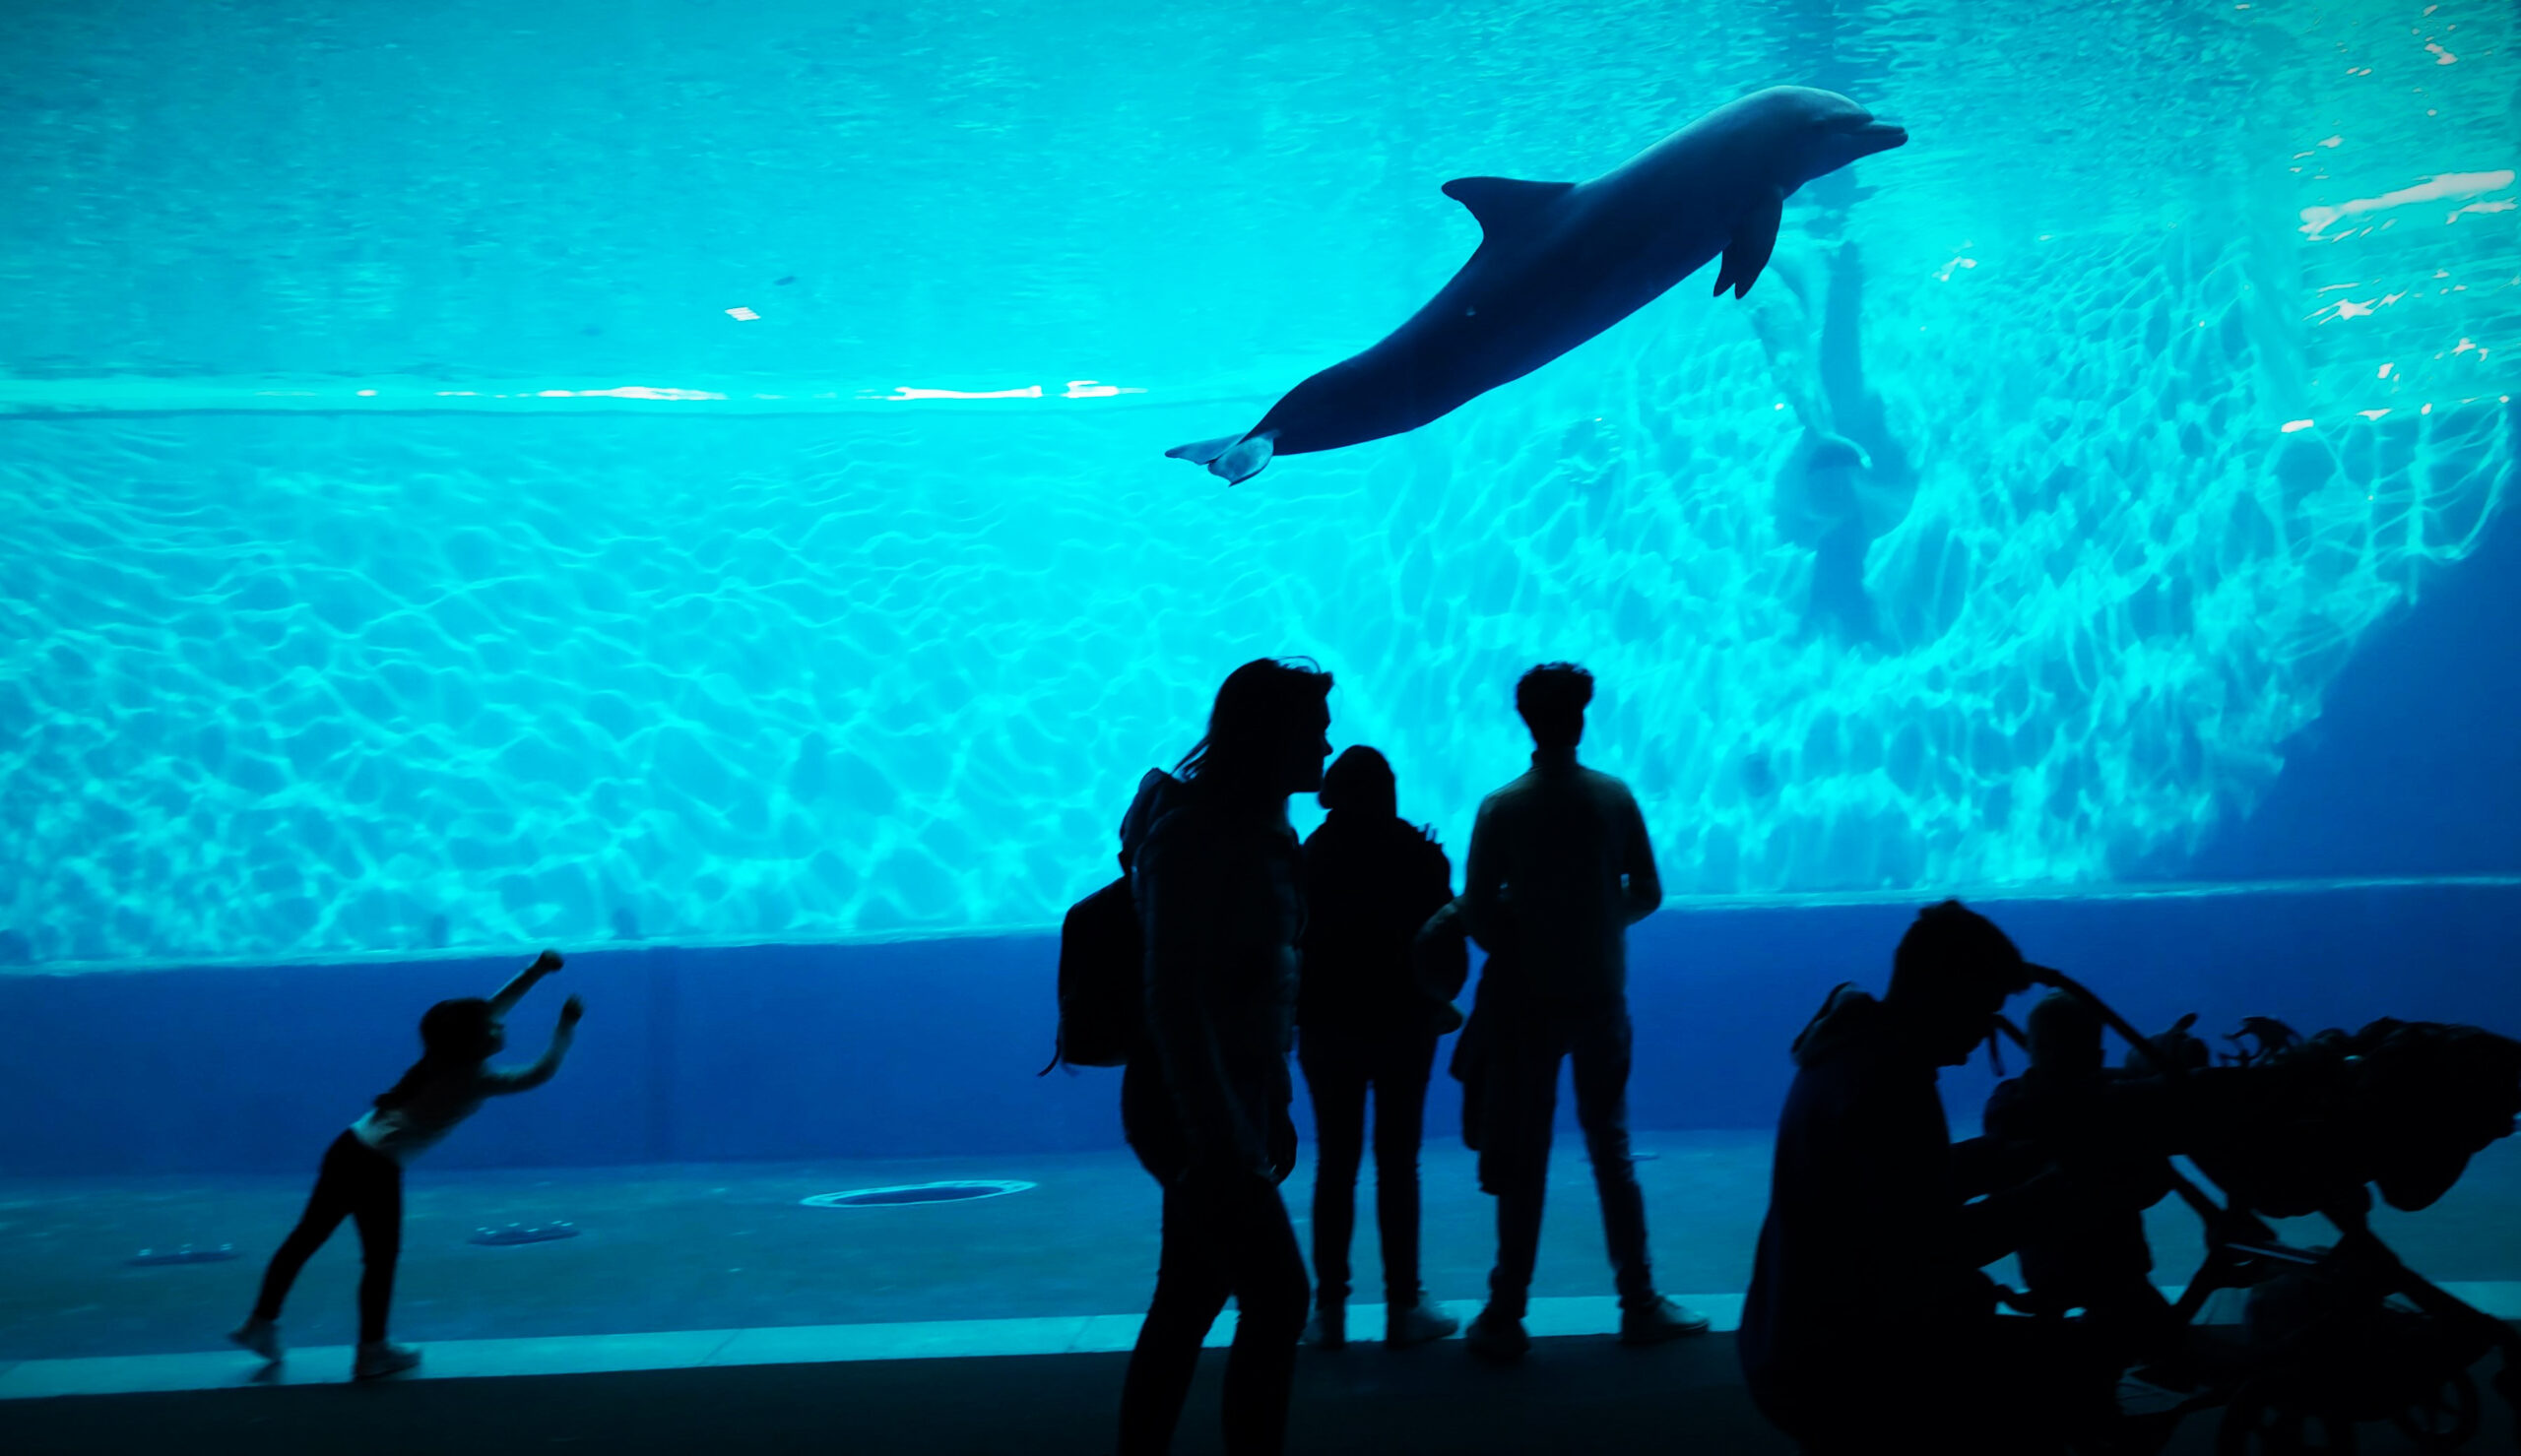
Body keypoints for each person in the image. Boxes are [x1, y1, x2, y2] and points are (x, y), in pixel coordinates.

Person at [1738, 902, 2130, 1454]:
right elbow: (1928, 1246)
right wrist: (2055, 1194)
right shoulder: (1889, 1083)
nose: (1980, 1041)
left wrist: (2011, 1154)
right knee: (2081, 1361)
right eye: (1981, 1012)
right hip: (1843, 1366)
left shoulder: (1850, 1052)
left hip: (1789, 1337)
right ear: (1945, 992)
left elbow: (1903, 1187)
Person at [1454, 663, 1706, 1360]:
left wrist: (1530, 936)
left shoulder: (1501, 807)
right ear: (1581, 717)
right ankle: (1638, 1301)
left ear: (1527, 721)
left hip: (1527, 1001)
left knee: (1523, 1156)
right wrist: (1597, 924)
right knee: (1611, 1149)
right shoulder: (1611, 797)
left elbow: (1476, 914)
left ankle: (1505, 1310)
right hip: (1598, 995)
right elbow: (1648, 890)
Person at [1116, 659, 1331, 1456]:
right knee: (1279, 1294)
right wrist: (1220, 1132)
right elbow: (1175, 996)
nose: (1326, 742)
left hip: (1231, 1094)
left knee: (1192, 1292)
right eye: (1313, 729)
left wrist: (1270, 1095)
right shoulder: (1194, 834)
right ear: (1268, 736)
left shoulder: (1268, 832)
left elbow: (1266, 987)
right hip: (1188, 1102)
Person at [230, 949, 582, 1379]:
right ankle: (372, 1350)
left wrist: (537, 972)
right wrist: (565, 1027)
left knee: (305, 1239)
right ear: (475, 1042)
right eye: (491, 1027)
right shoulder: (476, 1080)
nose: (500, 1023)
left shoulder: (441, 1055)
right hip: (376, 1167)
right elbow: (539, 1072)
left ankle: (260, 1323)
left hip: (350, 1145)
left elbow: (491, 1009)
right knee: (380, 1259)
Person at [1294, 746, 1461, 1350]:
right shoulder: (1419, 854)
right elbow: (1450, 948)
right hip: (1403, 1027)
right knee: (1398, 1163)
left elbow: (1291, 945)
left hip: (1326, 1030)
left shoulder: (1306, 857)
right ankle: (1403, 1301)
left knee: (1335, 1165)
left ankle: (1329, 1309)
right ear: (1386, 790)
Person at [1983, 990, 2180, 1371]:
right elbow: (2154, 1184)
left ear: (2034, 1048)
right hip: (2118, 1272)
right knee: (2165, 1340)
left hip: (2044, 1273)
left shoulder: (2007, 1106)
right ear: (2098, 1057)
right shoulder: (2112, 1105)